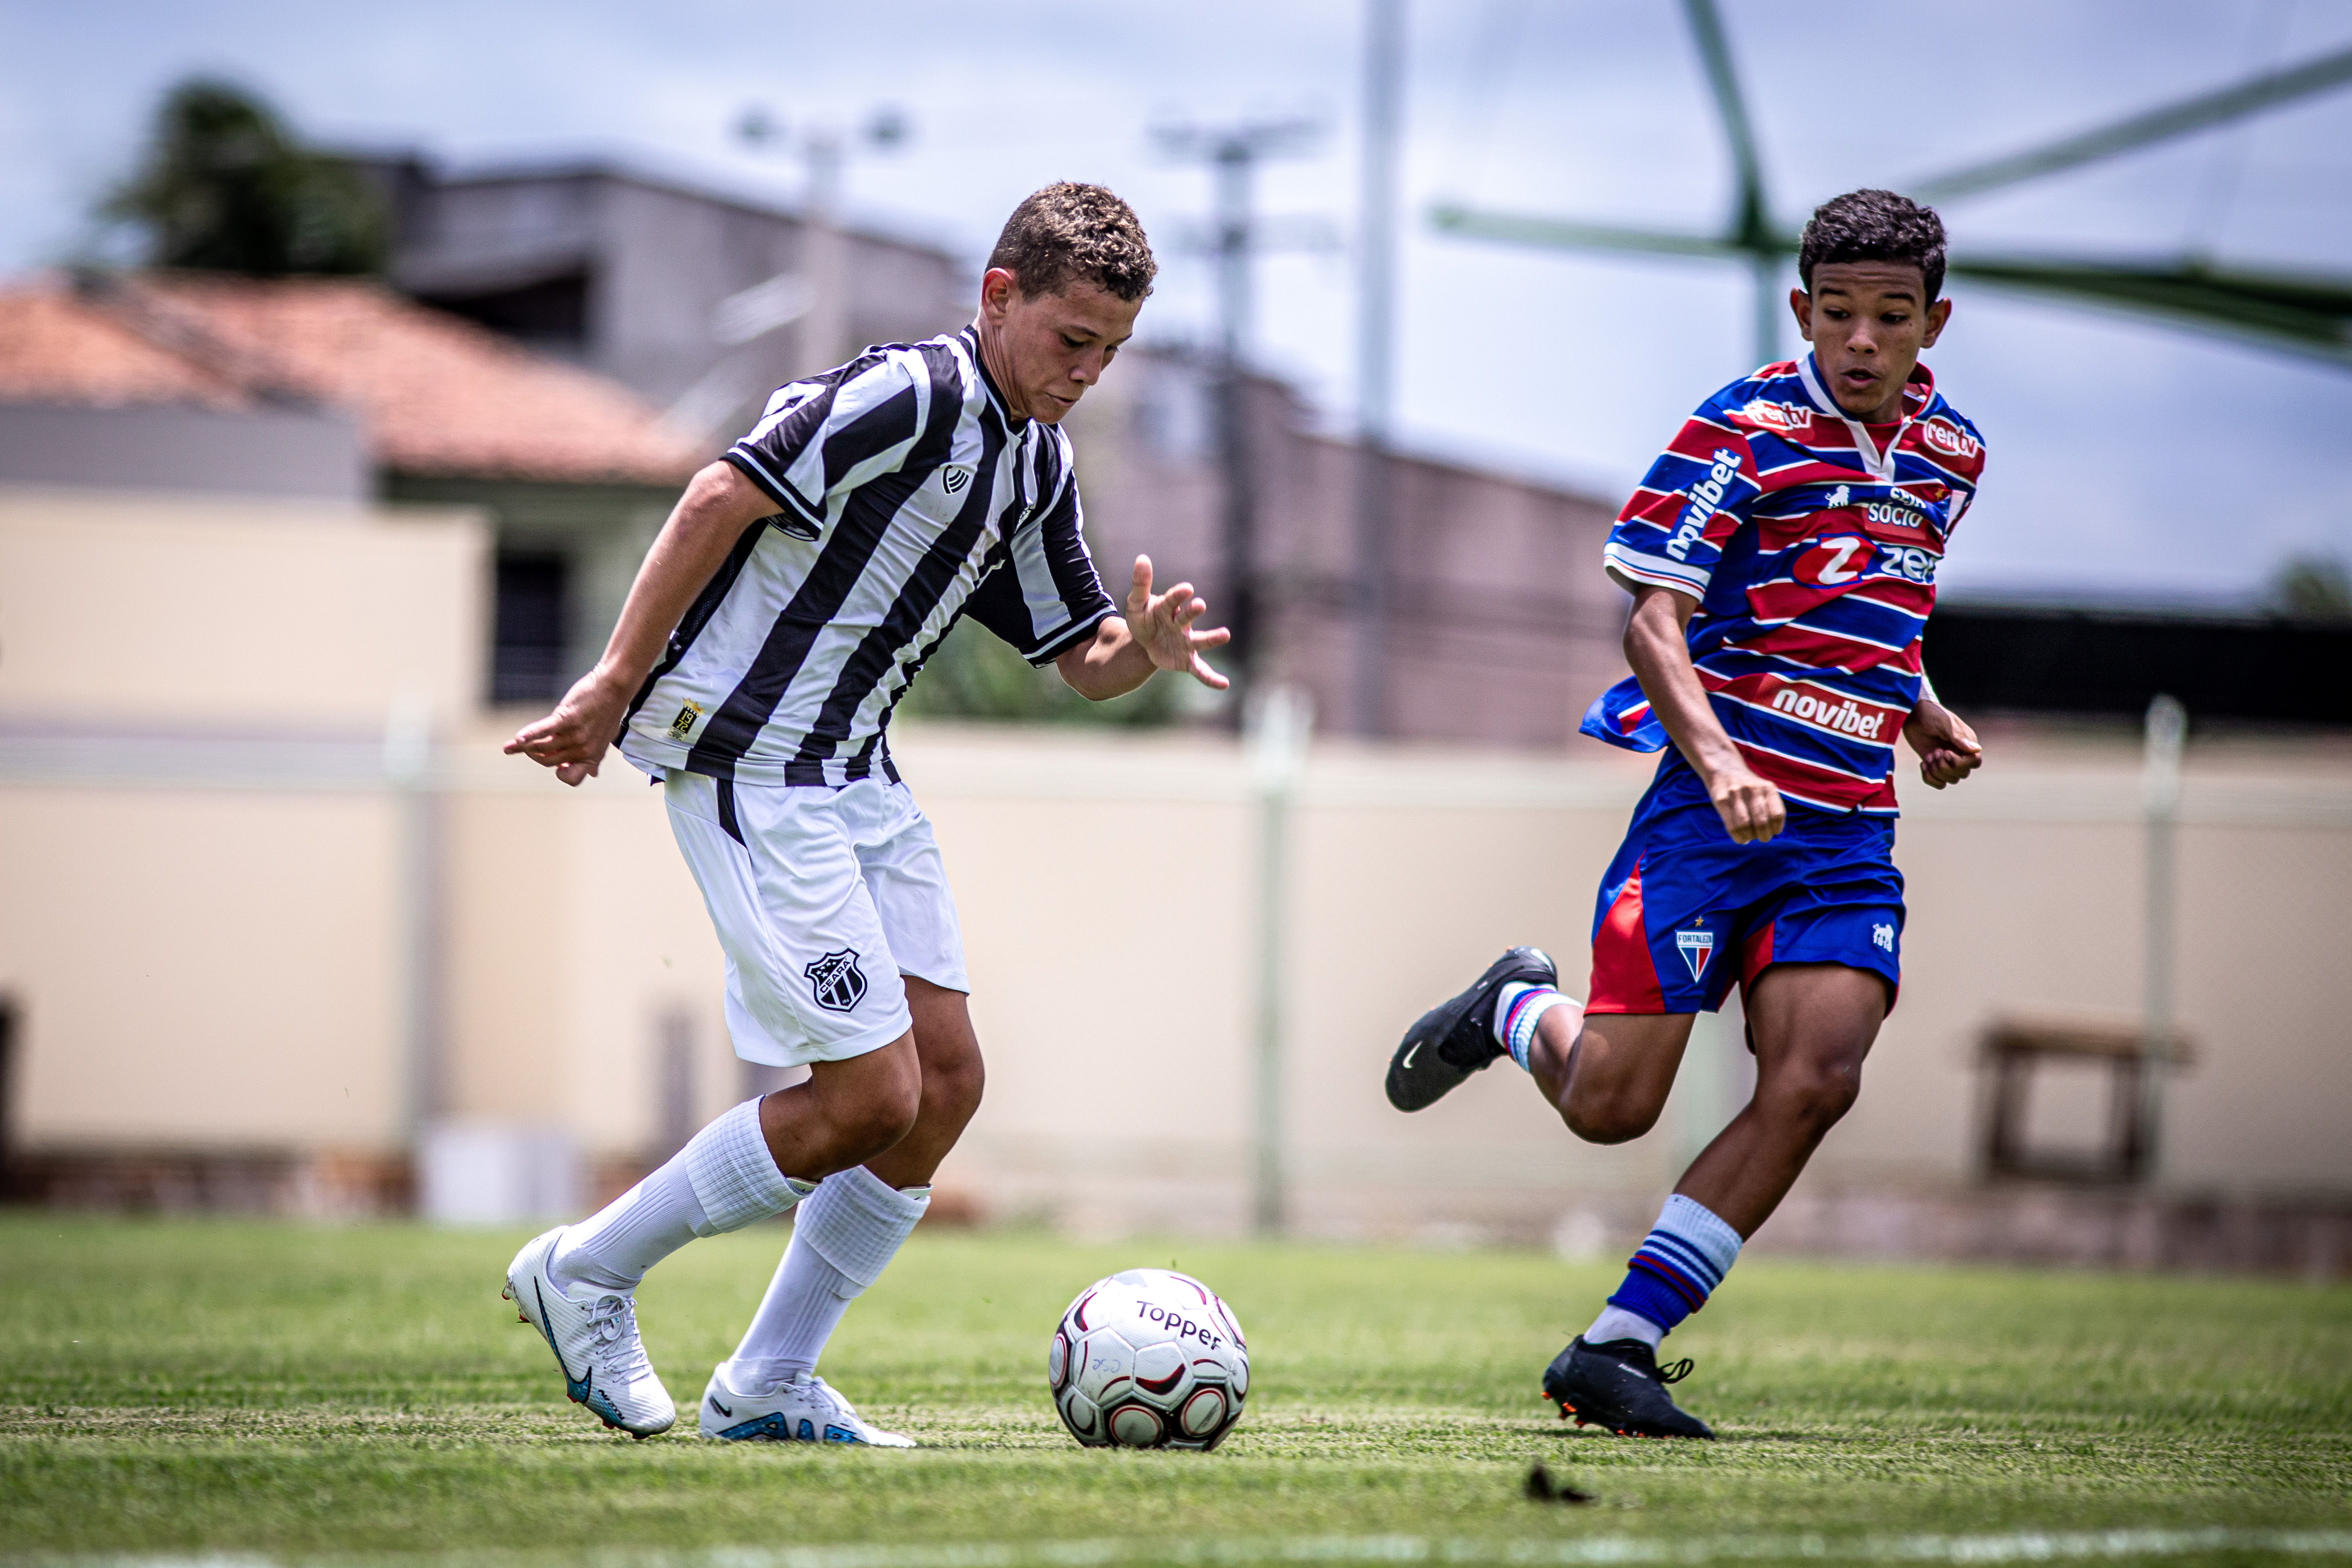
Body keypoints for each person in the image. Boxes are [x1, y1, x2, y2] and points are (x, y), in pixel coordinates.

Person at [499, 183, 1228, 1446]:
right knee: (867, 1098)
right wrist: (614, 687)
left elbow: (1081, 653)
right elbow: (720, 494)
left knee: (944, 1085)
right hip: (749, 761)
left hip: (855, 779)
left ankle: (769, 1379)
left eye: (1112, 352)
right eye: (1073, 341)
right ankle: (586, 1270)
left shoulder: (1035, 462)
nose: (1090, 372)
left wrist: (1145, 657)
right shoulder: (910, 393)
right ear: (1000, 297)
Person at [1384, 190, 1988, 1440]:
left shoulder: (1954, 454)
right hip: (1711, 820)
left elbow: (1878, 608)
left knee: (1818, 1077)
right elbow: (1653, 621)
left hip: (1842, 836)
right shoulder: (1740, 430)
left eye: (1889, 318)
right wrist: (1718, 768)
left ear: (1933, 321)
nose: (1861, 341)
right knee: (1615, 1106)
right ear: (1801, 311)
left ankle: (1619, 1343)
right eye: (1837, 315)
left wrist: (1921, 710)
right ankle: (1513, 1004)